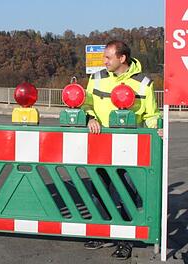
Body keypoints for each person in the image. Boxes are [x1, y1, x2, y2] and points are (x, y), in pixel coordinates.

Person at [82, 40, 162, 260]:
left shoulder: (143, 83)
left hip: (129, 149)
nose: (104, 61)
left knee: (127, 194)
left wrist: (158, 131)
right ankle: (103, 232)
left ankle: (124, 240)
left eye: (108, 57)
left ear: (122, 58)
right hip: (101, 145)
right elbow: (87, 104)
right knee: (98, 190)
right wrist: (89, 118)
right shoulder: (96, 78)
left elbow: (151, 115)